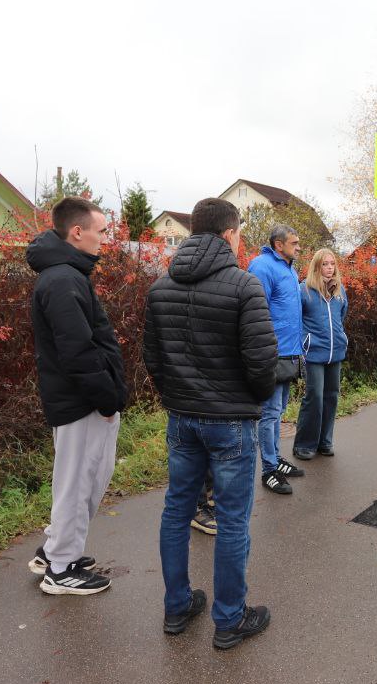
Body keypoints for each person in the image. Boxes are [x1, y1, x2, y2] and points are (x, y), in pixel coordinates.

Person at [144, 197, 278, 649]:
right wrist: (251, 400)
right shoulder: (244, 287)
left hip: (182, 419)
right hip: (231, 422)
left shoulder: (161, 286)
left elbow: (153, 360)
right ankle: (229, 618)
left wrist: (176, 397)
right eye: (239, 234)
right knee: (233, 520)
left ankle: (177, 605)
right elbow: (262, 364)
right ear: (228, 235)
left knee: (176, 511)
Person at [25, 196, 129, 596]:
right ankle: (61, 570)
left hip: (79, 400)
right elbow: (78, 352)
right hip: (82, 402)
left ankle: (54, 551)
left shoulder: (66, 274)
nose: (106, 239)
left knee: (78, 481)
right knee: (79, 484)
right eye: (102, 231)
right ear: (77, 232)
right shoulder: (63, 280)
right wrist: (106, 399)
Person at [247, 224, 305, 494]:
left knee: (279, 411)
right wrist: (264, 350)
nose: (298, 247)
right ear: (278, 245)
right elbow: (256, 312)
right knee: (269, 414)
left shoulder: (289, 268)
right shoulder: (262, 266)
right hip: (272, 353)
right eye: (294, 243)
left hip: (290, 352)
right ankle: (269, 470)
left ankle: (276, 459)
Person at [293, 248, 349, 461]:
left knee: (331, 396)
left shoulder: (339, 291)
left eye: (332, 264)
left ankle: (325, 441)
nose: (329, 268)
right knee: (314, 397)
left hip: (335, 353)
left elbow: (341, 316)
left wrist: (340, 338)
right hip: (313, 353)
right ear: (317, 267)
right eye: (325, 264)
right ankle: (304, 444)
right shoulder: (304, 290)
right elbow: (297, 321)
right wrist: (304, 344)